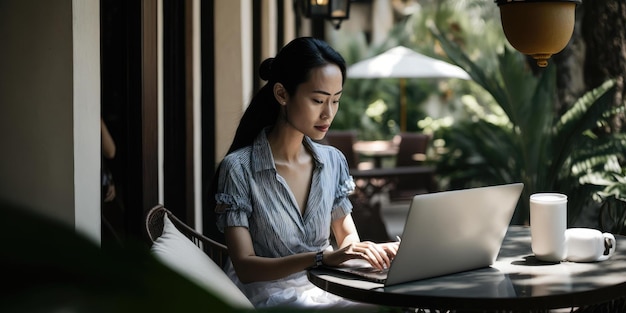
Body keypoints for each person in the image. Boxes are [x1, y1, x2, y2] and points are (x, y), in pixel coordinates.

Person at [208, 37, 399, 309]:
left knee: (392, 297)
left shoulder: (332, 161)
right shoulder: (239, 168)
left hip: (325, 284)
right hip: (268, 295)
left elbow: (347, 240)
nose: (328, 113)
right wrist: (322, 258)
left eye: (336, 100)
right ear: (282, 94)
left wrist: (369, 252)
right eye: (318, 100)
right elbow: (246, 267)